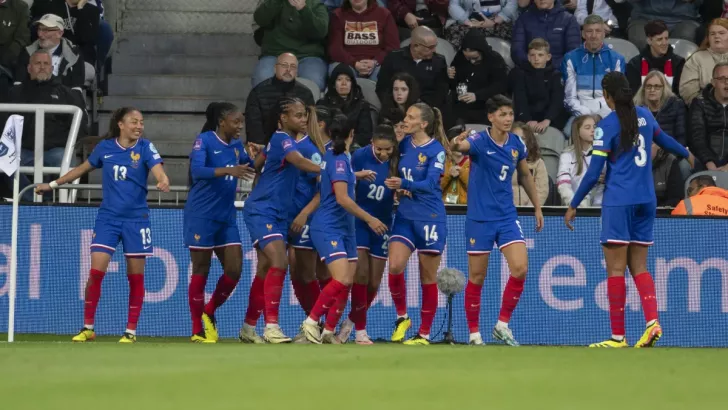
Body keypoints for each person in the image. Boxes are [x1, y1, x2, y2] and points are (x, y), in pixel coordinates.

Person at [564, 72, 694, 348]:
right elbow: (666, 141)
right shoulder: (645, 115)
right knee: (640, 266)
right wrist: (686, 153)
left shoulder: (607, 125)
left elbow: (593, 173)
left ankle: (618, 337)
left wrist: (574, 203)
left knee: (615, 269)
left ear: (608, 96)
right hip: (646, 200)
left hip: (619, 201)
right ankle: (652, 322)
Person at [35, 107, 171, 343]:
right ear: (120, 124)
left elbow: (158, 170)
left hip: (137, 220)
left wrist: (163, 179)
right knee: (96, 272)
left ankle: (130, 331)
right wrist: (52, 185)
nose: (139, 126)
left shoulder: (145, 147)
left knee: (136, 277)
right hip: (107, 219)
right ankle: (88, 327)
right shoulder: (105, 148)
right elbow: (81, 169)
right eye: (134, 122)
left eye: (141, 122)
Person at [450, 95, 544, 346]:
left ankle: (502, 324)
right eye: (502, 114)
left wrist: (537, 207)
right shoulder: (480, 141)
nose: (508, 119)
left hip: (506, 216)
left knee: (521, 268)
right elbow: (459, 148)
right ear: (490, 117)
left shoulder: (516, 143)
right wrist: (456, 142)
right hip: (480, 219)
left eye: (510, 114)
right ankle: (474, 334)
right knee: (477, 277)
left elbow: (524, 175)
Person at [297, 115, 388, 344]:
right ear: (351, 134)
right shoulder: (339, 159)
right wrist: (370, 219)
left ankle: (328, 331)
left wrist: (357, 175)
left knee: (347, 281)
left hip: (346, 228)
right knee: (339, 279)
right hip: (329, 227)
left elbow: (335, 177)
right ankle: (311, 322)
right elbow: (343, 199)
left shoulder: (340, 157)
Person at [242, 96, 323, 343]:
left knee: (266, 269)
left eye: (304, 115)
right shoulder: (281, 138)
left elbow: (256, 165)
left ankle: (248, 327)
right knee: (279, 261)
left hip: (279, 214)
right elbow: (297, 161)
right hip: (262, 209)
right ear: (283, 118)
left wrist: (252, 161)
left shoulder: (274, 142)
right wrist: (332, 171)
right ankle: (272, 327)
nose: (303, 119)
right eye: (298, 115)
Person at [184, 103, 258, 343]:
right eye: (236, 122)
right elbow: (197, 171)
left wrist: (261, 153)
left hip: (226, 217)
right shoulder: (204, 140)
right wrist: (228, 170)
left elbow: (251, 166)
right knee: (201, 270)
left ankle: (209, 310)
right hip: (201, 215)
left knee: (235, 270)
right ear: (222, 121)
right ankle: (198, 329)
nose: (240, 126)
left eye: (241, 122)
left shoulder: (237, 146)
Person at [383, 102, 449, 346]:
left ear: (423, 124)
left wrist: (404, 185)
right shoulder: (403, 145)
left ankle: (424, 333)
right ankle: (402, 317)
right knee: (395, 265)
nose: (405, 120)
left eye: (410, 117)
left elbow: (432, 184)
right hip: (405, 216)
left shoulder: (436, 150)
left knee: (427, 276)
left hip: (430, 217)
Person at [337, 124, 398, 344]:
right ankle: (361, 332)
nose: (383, 153)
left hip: (382, 224)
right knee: (360, 275)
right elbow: (341, 179)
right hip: (360, 221)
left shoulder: (396, 160)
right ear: (372, 142)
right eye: (379, 149)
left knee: (373, 282)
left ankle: (351, 322)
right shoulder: (359, 156)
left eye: (388, 149)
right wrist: (357, 176)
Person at [285, 105, 328, 338]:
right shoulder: (290, 145)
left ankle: (318, 324)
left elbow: (323, 191)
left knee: (308, 273)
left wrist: (304, 213)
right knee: (297, 271)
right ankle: (314, 323)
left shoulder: (309, 149)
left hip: (306, 218)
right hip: (289, 217)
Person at [562, 14, 626, 136]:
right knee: (567, 132)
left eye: (598, 31)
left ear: (603, 33)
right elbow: (569, 98)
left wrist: (601, 115)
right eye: (589, 31)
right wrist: (587, 115)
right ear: (583, 34)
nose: (593, 35)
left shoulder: (616, 59)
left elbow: (617, 96)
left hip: (608, 112)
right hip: (581, 113)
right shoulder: (570, 58)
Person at [251, 0, 329, 91]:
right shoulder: (272, 2)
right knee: (262, 78)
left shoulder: (316, 4)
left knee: (314, 80)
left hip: (308, 55)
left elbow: (321, 32)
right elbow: (260, 19)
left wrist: (303, 9)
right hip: (275, 53)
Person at [376, 26, 449, 118]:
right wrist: (395, 108)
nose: (434, 50)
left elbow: (441, 92)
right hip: (396, 111)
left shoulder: (439, 61)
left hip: (427, 112)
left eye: (435, 46)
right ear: (415, 46)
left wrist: (425, 110)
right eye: (430, 47)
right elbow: (382, 88)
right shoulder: (393, 58)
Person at [245, 53, 316, 145]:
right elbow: (254, 128)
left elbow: (311, 125)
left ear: (297, 71)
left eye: (293, 66)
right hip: (266, 147)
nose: (288, 70)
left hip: (299, 147)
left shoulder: (305, 93)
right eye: (284, 65)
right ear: (275, 68)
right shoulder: (258, 92)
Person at [448, 28, 509, 125]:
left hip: (486, 106)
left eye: (475, 58)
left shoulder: (494, 59)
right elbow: (453, 85)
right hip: (462, 106)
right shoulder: (460, 58)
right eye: (467, 58)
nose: (472, 61)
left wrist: (477, 95)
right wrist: (450, 77)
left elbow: (500, 85)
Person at [327, 0, 399, 81]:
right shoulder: (338, 15)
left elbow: (393, 47)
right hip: (346, 63)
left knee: (385, 74)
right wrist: (354, 63)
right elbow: (335, 49)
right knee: (341, 75)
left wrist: (375, 61)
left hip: (377, 64)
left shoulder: (384, 14)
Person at [512, 38, 567, 133]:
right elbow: (520, 99)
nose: (536, 58)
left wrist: (547, 120)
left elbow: (557, 101)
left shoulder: (556, 75)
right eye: (532, 55)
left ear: (548, 57)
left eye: (540, 55)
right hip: (527, 118)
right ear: (528, 57)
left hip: (551, 119)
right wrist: (527, 120)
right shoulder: (521, 74)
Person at [511, 0, 581, 70]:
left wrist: (550, 66)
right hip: (530, 73)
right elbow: (516, 52)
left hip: (560, 74)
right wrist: (535, 64)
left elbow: (573, 53)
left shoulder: (569, 20)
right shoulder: (523, 19)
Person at [317, 64, 373, 147]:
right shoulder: (322, 104)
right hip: (327, 146)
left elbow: (365, 135)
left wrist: (346, 144)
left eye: (348, 80)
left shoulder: (362, 105)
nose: (344, 83)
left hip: (353, 147)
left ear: (352, 84)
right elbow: (317, 131)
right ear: (333, 83)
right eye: (339, 80)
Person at [625, 20, 685, 96]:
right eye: (660, 39)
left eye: (666, 38)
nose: (664, 43)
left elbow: (679, 95)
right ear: (649, 40)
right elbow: (634, 95)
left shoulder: (678, 63)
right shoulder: (635, 64)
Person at [557, 115, 605, 207]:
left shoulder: (602, 153)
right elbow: (563, 185)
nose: (593, 130)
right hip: (576, 208)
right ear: (577, 132)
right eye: (587, 127)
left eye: (594, 127)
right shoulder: (567, 155)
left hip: (600, 208)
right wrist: (575, 205)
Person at [688, 62, 728, 171]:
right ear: (713, 82)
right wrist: (709, 163)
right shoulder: (700, 103)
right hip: (705, 161)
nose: (727, 83)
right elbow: (697, 138)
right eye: (722, 79)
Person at [680, 18, 728, 105]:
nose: (716, 36)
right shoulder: (696, 58)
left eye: (721, 33)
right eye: (712, 34)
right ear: (708, 38)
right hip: (705, 110)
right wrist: (706, 106)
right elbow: (687, 91)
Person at [633, 70, 687, 146]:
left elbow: (681, 137)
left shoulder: (676, 105)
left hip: (671, 152)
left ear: (664, 88)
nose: (652, 90)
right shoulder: (637, 109)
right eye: (648, 86)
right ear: (643, 89)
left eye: (657, 86)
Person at [445, 0, 519, 49]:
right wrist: (469, 23)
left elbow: (512, 4)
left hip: (498, 21)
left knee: (512, 32)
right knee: (454, 32)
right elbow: (453, 6)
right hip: (469, 20)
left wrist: (494, 22)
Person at [511, 122, 549, 206]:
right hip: (506, 212)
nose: (519, 142)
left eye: (523, 138)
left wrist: (529, 210)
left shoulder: (538, 163)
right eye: (515, 138)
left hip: (530, 213)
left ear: (528, 141)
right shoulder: (499, 161)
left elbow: (542, 191)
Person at [651, 143, 684, 208]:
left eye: (650, 144)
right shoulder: (631, 161)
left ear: (659, 146)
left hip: (663, 213)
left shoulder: (670, 161)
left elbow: (676, 197)